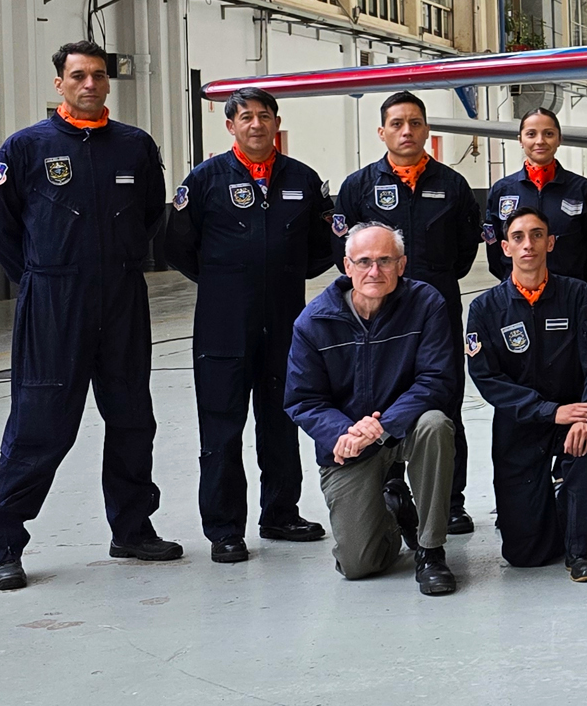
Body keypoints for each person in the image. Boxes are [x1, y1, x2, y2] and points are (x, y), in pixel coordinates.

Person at [0, 41, 175, 593]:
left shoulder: (134, 147)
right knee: (40, 425)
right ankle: (5, 546)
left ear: (109, 82)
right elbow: (0, 228)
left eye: (98, 75)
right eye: (77, 76)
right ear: (59, 84)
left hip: (121, 298)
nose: (89, 84)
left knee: (133, 417)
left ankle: (133, 530)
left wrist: (111, 267)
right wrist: (44, 278)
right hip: (53, 302)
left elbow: (147, 218)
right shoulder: (25, 147)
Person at [163, 87, 335, 564]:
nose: (256, 124)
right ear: (230, 126)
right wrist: (224, 279)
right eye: (246, 117)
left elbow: (324, 244)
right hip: (223, 326)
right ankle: (224, 529)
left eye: (264, 116)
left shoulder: (302, 178)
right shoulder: (205, 180)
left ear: (276, 122)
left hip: (284, 322)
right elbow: (177, 244)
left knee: (281, 419)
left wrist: (283, 270)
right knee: (221, 427)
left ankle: (280, 513)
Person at [334, 91, 481, 533]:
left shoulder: (452, 186)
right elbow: (345, 253)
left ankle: (450, 502)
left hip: (436, 315)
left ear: (426, 129)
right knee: (380, 404)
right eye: (397, 123)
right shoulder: (358, 188)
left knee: (444, 407)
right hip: (377, 321)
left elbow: (463, 252)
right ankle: (389, 494)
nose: (406, 131)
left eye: (415, 123)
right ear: (382, 132)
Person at [284, 223, 459, 595]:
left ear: (402, 264)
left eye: (385, 261)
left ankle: (430, 550)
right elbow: (303, 399)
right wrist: (343, 433)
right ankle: (395, 510)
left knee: (435, 424)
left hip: (406, 428)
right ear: (347, 266)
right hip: (351, 443)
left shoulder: (426, 304)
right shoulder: (314, 322)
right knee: (359, 565)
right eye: (364, 261)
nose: (374, 271)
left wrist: (382, 426)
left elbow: (437, 380)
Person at [466, 208, 587, 582]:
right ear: (505, 247)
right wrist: (550, 411)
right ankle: (563, 511)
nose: (527, 244)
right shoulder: (485, 308)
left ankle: (580, 550)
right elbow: (488, 378)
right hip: (520, 425)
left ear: (550, 243)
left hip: (574, 419)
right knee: (525, 554)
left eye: (536, 235)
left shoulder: (576, 295)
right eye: (518, 237)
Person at [481, 107, 587, 282]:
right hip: (517, 292)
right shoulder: (502, 191)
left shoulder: (580, 189)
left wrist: (576, 283)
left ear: (559, 139)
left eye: (548, 134)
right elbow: (493, 245)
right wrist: (508, 277)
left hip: (569, 290)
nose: (540, 141)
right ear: (520, 140)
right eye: (531, 134)